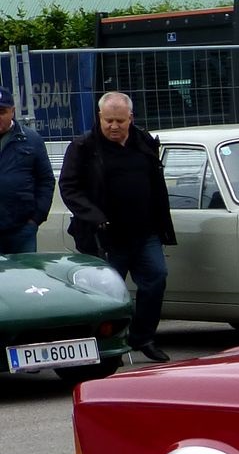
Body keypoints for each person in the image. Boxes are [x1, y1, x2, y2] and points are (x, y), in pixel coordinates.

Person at [59, 92, 175, 362]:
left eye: (119, 121)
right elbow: (69, 188)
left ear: (130, 118)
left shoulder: (144, 141)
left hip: (145, 232)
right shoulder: (84, 147)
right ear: (99, 117)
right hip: (105, 236)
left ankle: (143, 337)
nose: (114, 126)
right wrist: (95, 217)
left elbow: (156, 183)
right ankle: (109, 346)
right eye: (108, 120)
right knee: (107, 294)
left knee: (156, 278)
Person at [0, 86, 55, 254]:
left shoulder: (31, 140)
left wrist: (35, 219)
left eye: (2, 111)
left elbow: (46, 180)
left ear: (13, 112)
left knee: (24, 278)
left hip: (21, 231)